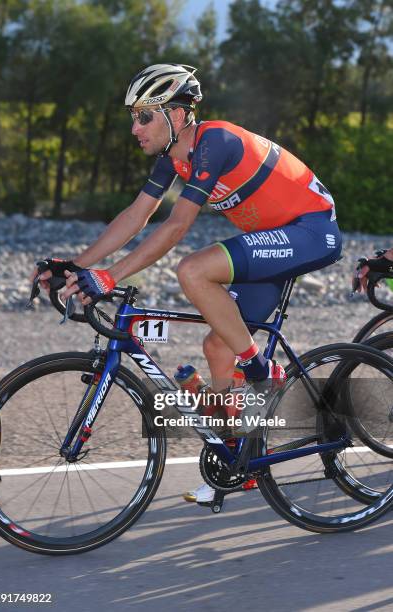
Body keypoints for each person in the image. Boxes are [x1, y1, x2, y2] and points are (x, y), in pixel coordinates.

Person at [34, 63, 342, 503]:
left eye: (143, 116)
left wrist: (110, 276)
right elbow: (137, 217)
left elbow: (176, 227)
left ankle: (260, 373)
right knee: (218, 347)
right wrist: (75, 265)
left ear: (176, 116)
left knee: (193, 269)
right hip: (272, 240)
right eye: (132, 117)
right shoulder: (172, 157)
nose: (134, 127)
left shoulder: (214, 141)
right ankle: (241, 456)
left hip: (311, 230)